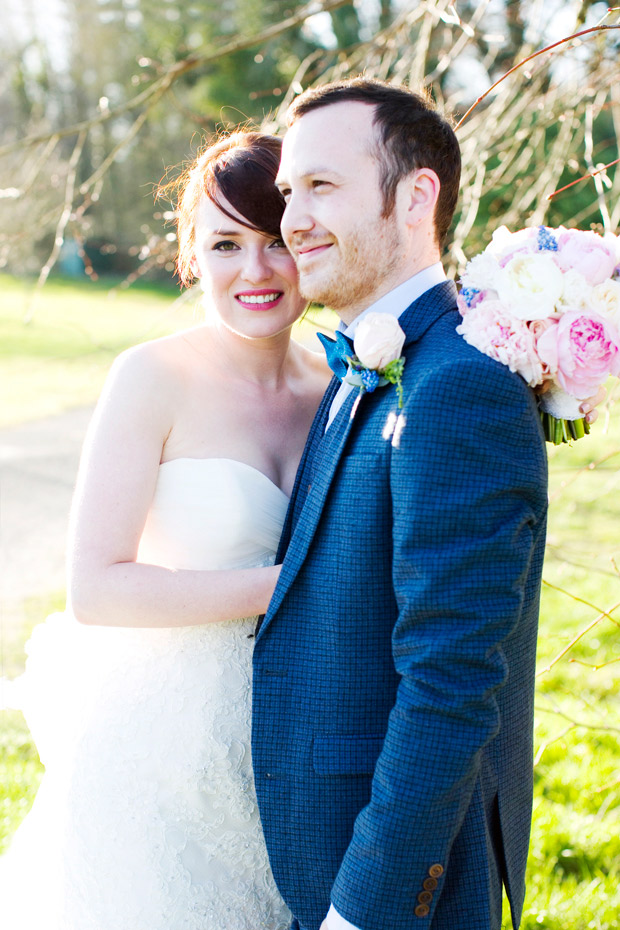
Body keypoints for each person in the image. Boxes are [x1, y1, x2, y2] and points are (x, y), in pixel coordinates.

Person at [250, 77, 601, 930]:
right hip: (317, 846)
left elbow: (451, 681)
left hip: (399, 884)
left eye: (323, 187)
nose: (293, 218)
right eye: (290, 191)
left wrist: (364, 910)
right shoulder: (361, 366)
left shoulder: (459, 388)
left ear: (416, 196)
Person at [0, 130, 330, 930]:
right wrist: (290, 586)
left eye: (278, 241)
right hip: (162, 751)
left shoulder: (338, 384)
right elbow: (97, 588)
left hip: (301, 745)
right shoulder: (150, 378)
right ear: (191, 257)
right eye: (225, 244)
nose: (255, 271)